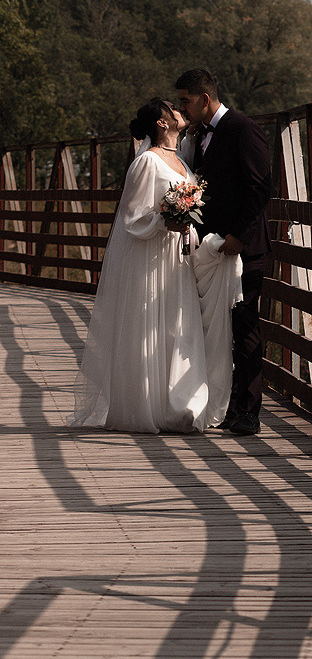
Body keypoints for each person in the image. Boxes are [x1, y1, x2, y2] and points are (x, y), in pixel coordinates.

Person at [68, 97, 239, 434]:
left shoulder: (182, 159)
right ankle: (150, 405)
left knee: (179, 325)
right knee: (154, 325)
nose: (181, 112)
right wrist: (165, 221)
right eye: (173, 109)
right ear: (162, 122)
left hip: (178, 258)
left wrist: (184, 222)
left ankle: (183, 405)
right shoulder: (146, 161)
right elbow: (132, 216)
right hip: (152, 258)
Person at [175, 68, 272, 437]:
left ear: (204, 99)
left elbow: (260, 187)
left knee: (244, 326)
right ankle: (227, 404)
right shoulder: (199, 135)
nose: (182, 108)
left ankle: (249, 410)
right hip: (211, 249)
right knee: (215, 328)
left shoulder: (244, 129)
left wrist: (240, 237)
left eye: (185, 101)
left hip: (243, 249)